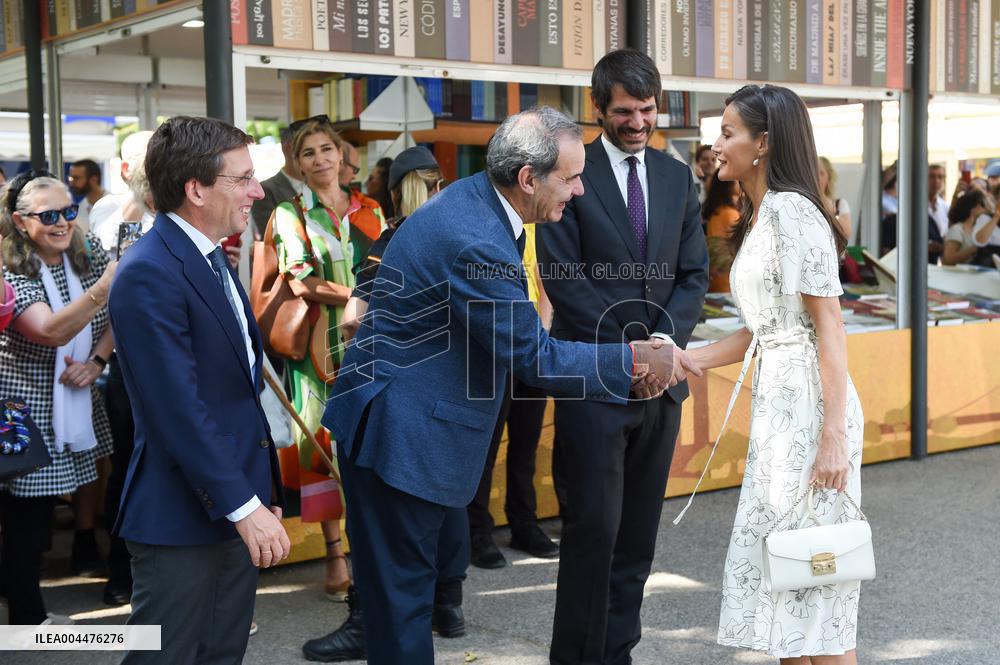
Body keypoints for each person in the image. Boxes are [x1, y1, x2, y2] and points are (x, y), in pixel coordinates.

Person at [320, 106, 690, 665]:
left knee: (401, 602)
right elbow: (532, 357)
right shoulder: (476, 239)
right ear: (527, 178)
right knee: (401, 611)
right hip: (401, 435)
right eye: (571, 177)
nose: (580, 190)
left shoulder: (479, 201)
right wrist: (634, 360)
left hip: (404, 421)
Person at [535, 49, 709, 665]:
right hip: (595, 383)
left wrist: (662, 350)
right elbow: (563, 276)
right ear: (598, 108)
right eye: (624, 111)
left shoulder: (675, 177)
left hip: (662, 386)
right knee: (593, 535)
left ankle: (618, 653)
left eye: (647, 110)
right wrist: (630, 356)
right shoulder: (568, 172)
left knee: (636, 540)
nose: (638, 123)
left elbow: (693, 275)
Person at [686, 84, 863, 663]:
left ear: (762, 143)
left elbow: (829, 325)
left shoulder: (791, 210)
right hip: (783, 412)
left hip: (811, 413)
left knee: (818, 588)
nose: (717, 145)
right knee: (789, 585)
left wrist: (833, 435)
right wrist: (688, 359)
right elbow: (763, 329)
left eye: (728, 132)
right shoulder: (763, 214)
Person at [109, 116, 289, 664]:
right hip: (182, 517)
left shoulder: (208, 256)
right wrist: (243, 505)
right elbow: (177, 409)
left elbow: (233, 391)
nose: (258, 192)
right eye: (243, 178)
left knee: (221, 654)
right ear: (196, 189)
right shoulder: (149, 271)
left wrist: (257, 494)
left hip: (233, 501)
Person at [303, 146, 467, 662]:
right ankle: (448, 604)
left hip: (392, 402)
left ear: (393, 193)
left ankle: (367, 621)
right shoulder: (464, 236)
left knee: (388, 546)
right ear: (439, 185)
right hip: (452, 405)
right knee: (439, 511)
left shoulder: (393, 237)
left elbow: (354, 319)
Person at [268, 118, 385, 602]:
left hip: (373, 341)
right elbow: (299, 279)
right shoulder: (290, 212)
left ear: (341, 155)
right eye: (308, 153)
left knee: (371, 438)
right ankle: (335, 552)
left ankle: (370, 549)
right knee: (321, 444)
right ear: (297, 163)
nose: (319, 160)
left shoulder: (371, 209)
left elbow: (387, 265)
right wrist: (358, 295)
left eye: (326, 149)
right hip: (318, 346)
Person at [0, 170, 117, 625]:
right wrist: (104, 287)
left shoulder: (87, 251)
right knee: (25, 516)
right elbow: (49, 330)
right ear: (20, 221)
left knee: (37, 514)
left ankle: (25, 610)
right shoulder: (10, 267)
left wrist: (98, 361)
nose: (63, 222)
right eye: (48, 215)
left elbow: (122, 309)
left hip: (71, 398)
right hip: (18, 408)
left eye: (68, 211)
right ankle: (28, 619)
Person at [467, 214, 560, 570]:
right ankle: (477, 531)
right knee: (485, 446)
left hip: (532, 346)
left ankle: (523, 522)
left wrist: (542, 330)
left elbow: (544, 275)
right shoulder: (486, 220)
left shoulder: (538, 222)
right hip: (495, 346)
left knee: (526, 441)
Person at [89, 130, 154, 252]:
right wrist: (142, 191)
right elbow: (110, 246)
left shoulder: (180, 206)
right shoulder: (111, 204)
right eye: (153, 158)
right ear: (126, 169)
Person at [250, 125, 306, 240]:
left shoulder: (319, 187)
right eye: (307, 151)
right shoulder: (266, 190)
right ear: (287, 149)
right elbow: (271, 236)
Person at [703, 171, 743, 293]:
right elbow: (741, 250)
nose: (741, 184)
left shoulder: (716, 212)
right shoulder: (731, 214)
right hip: (728, 280)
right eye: (737, 181)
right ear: (728, 185)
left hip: (714, 278)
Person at [943, 189, 994, 266]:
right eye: (984, 206)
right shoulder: (957, 229)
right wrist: (976, 248)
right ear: (975, 208)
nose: (987, 210)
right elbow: (948, 260)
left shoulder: (980, 230)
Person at [67, 159, 107, 233]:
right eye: (71, 178)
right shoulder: (79, 211)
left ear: (94, 180)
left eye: (76, 178)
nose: (72, 183)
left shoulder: (116, 205)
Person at [818, 156, 853, 238]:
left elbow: (847, 233)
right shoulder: (803, 202)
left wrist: (833, 214)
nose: (817, 177)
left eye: (821, 173)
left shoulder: (839, 204)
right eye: (813, 173)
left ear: (829, 177)